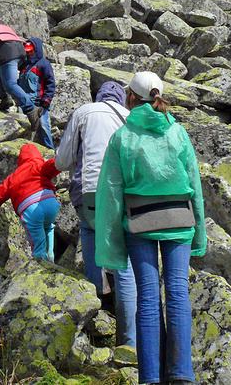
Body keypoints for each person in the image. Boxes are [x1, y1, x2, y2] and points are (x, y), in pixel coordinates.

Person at [95, 71, 206, 385]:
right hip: (180, 220)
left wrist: (112, 243)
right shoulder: (178, 132)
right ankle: (182, 373)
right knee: (178, 294)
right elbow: (194, 184)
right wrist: (199, 233)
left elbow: (111, 195)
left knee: (147, 298)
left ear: (130, 96)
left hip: (140, 222)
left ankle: (150, 378)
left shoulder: (122, 137)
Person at [55, 80, 137, 348]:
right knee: (121, 263)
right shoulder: (130, 117)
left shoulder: (83, 112)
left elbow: (62, 161)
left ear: (99, 95)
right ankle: (128, 341)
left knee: (89, 238)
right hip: (119, 193)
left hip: (87, 191)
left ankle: (93, 319)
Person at [0, 143, 61, 262]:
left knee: (38, 245)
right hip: (51, 203)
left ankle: (42, 267)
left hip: (31, 208)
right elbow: (53, 165)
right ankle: (51, 258)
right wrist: (64, 159)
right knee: (48, 227)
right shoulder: (39, 165)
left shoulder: (13, 177)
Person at [18, 38, 56, 149]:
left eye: (31, 51)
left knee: (44, 126)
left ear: (37, 50)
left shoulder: (44, 64)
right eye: (27, 52)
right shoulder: (24, 64)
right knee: (24, 128)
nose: (29, 54)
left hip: (39, 104)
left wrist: (45, 102)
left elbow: (50, 84)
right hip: (24, 103)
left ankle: (50, 153)